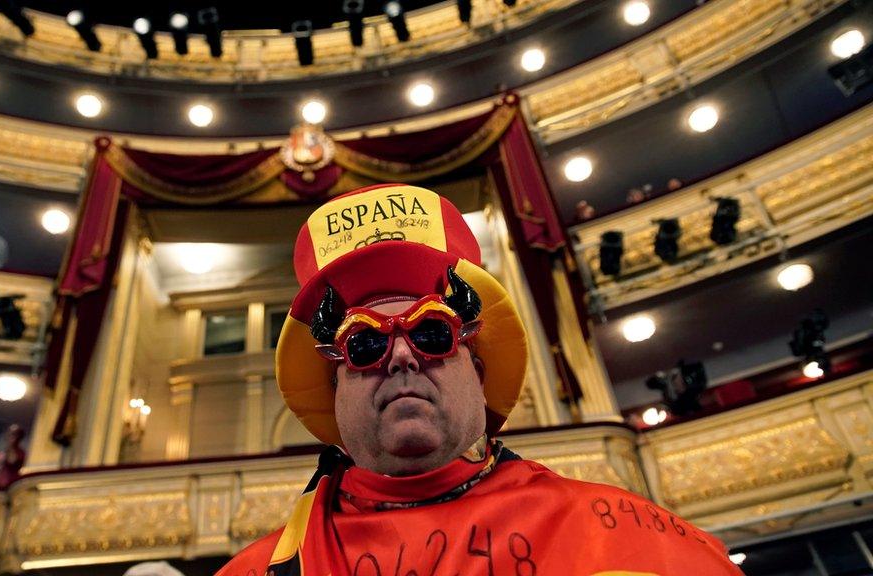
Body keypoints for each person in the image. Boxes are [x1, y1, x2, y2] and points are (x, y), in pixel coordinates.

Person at [217, 184, 742, 575]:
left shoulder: (632, 540)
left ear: (479, 368)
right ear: (335, 395)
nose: (401, 357)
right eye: (366, 345)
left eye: (431, 333)